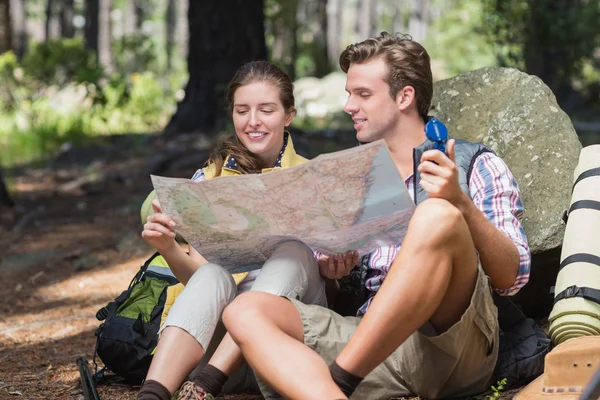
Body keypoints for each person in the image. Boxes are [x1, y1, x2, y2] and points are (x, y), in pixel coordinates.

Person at [223, 32, 532, 399]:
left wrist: (459, 203)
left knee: (437, 215)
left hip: (452, 344)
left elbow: (513, 278)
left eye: (363, 94)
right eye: (349, 94)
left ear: (404, 97)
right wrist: (331, 275)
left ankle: (339, 379)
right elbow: (336, 293)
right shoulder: (349, 177)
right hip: (369, 339)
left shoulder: (474, 164)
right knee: (245, 311)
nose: (349, 106)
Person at [136, 61, 335, 400]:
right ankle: (153, 395)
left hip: (283, 349)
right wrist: (169, 247)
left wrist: (333, 269)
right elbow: (200, 277)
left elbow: (324, 285)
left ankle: (206, 384)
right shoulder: (211, 178)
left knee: (293, 253)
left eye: (266, 110)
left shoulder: (314, 178)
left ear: (288, 115)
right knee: (213, 274)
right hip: (216, 345)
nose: (253, 121)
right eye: (242, 110)